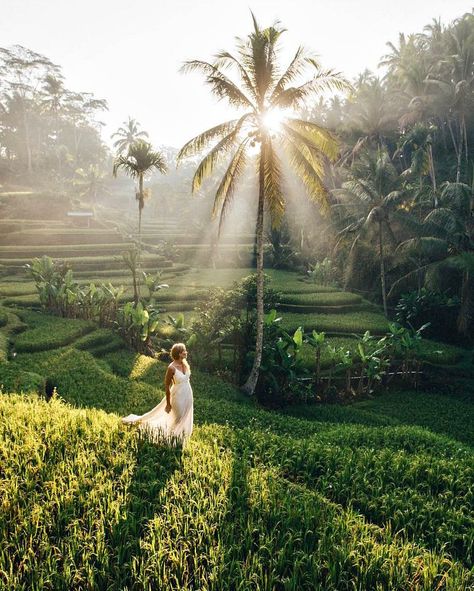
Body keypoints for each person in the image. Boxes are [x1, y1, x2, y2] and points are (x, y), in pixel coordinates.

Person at [121, 343, 193, 443]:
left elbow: (186, 379)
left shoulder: (184, 363)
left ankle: (181, 437)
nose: (186, 352)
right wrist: (168, 403)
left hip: (188, 393)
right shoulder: (171, 368)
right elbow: (167, 386)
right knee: (179, 416)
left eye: (185, 350)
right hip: (177, 395)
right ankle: (172, 438)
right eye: (183, 351)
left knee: (186, 415)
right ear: (178, 353)